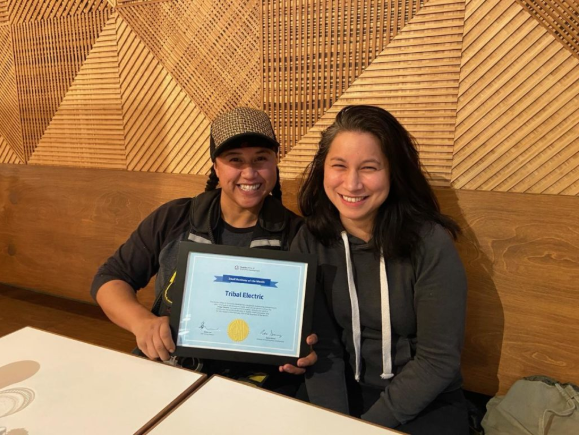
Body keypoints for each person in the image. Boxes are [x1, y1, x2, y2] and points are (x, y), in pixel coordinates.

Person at [91, 107, 315, 396]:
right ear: (216, 167)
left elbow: (314, 327)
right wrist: (141, 322)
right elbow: (110, 279)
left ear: (275, 162)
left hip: (258, 385)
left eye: (261, 158)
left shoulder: (298, 235)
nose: (250, 172)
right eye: (235, 160)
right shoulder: (174, 218)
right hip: (170, 368)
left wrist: (307, 350)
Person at [292, 105, 469, 433]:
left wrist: (367, 429)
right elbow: (324, 346)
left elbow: (438, 360)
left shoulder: (429, 243)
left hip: (427, 398)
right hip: (343, 388)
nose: (352, 183)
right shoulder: (309, 239)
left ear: (392, 172)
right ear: (322, 170)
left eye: (369, 168)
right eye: (339, 166)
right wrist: (336, 425)